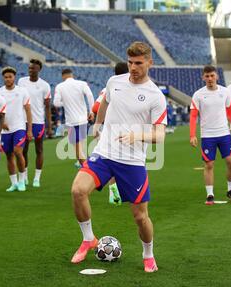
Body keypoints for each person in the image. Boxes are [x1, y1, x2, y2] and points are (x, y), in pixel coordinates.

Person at [70, 42, 167, 273]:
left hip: (132, 162)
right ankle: (88, 239)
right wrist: (99, 124)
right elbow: (105, 101)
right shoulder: (115, 82)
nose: (133, 67)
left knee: (140, 216)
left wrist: (138, 135)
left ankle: (148, 254)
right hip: (104, 153)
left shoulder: (155, 96)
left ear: (149, 63)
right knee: (78, 190)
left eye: (138, 63)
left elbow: (160, 135)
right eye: (131, 62)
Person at [190, 65, 231, 205]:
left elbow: (230, 111)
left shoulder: (225, 92)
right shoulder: (198, 94)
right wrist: (192, 135)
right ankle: (210, 194)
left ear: (217, 76)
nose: (210, 79)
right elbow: (193, 116)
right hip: (207, 135)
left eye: (212, 76)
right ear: (203, 78)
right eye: (207, 76)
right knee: (209, 165)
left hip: (224, 134)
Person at [92, 62, 129, 206]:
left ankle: (113, 192)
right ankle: (121, 191)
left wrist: (97, 123)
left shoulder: (107, 87)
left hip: (108, 130)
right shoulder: (125, 88)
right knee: (125, 161)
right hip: (122, 130)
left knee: (112, 160)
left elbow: (96, 106)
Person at [0, 66, 33, 192]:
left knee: (18, 151)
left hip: (19, 127)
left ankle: (22, 180)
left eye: (10, 77)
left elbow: (28, 110)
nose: (7, 79)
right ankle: (14, 183)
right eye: (5, 77)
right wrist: (1, 124)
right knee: (9, 156)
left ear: (14, 77)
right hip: (5, 130)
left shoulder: (22, 91)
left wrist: (29, 129)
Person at [18, 59, 52, 188]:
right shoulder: (21, 82)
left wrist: (49, 126)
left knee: (39, 149)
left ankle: (37, 178)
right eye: (30, 68)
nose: (31, 70)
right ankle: (25, 176)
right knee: (23, 150)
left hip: (38, 121)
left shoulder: (45, 85)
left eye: (34, 68)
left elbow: (48, 107)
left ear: (39, 70)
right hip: (23, 120)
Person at [53, 68, 94, 167]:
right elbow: (89, 95)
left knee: (77, 150)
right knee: (81, 144)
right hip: (83, 119)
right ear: (72, 75)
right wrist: (91, 111)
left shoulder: (60, 86)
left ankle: (88, 169)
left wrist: (65, 103)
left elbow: (56, 103)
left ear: (63, 76)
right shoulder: (82, 83)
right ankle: (84, 164)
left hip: (71, 121)